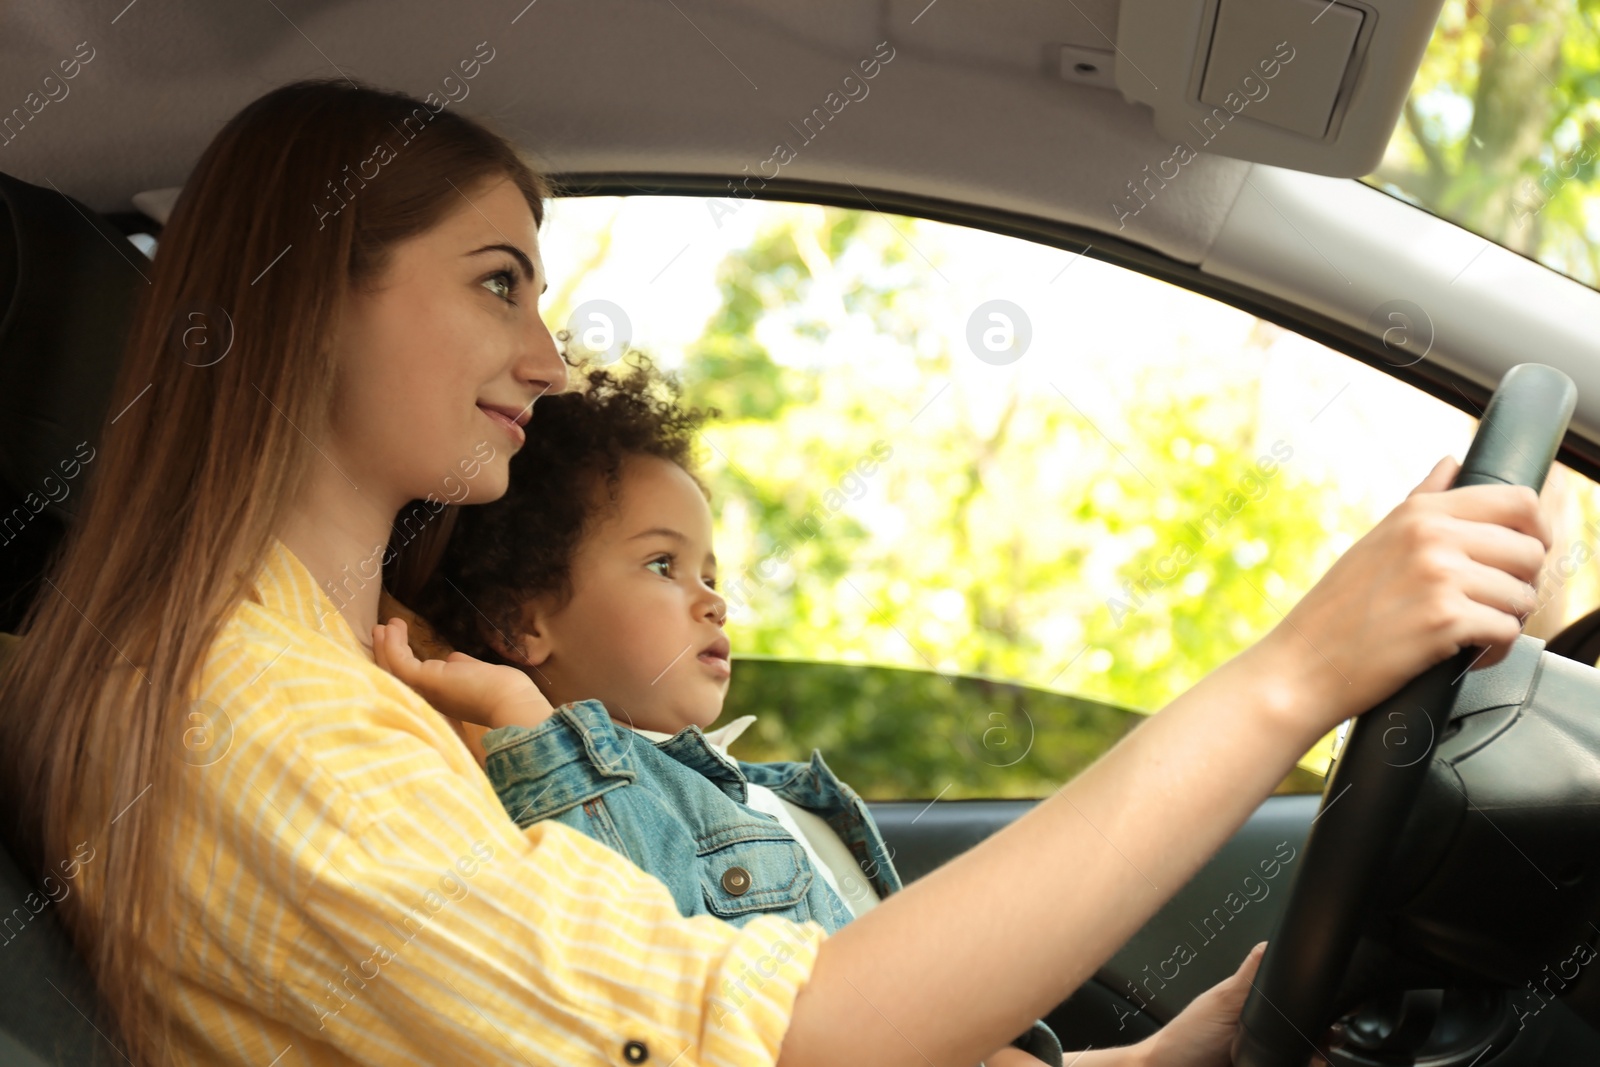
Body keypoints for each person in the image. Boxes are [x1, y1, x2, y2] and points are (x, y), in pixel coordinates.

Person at [0, 76, 1551, 1067]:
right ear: (301, 305)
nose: (545, 360)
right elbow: (781, 1038)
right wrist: (1293, 673)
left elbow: (694, 986)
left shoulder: (357, 685)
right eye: (496, 285)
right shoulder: (243, 719)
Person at [364, 356, 1272, 1066]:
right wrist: (534, 731)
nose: (714, 599)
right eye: (662, 566)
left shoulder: (760, 797)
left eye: (712, 573)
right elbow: (619, 934)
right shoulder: (584, 783)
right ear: (528, 618)